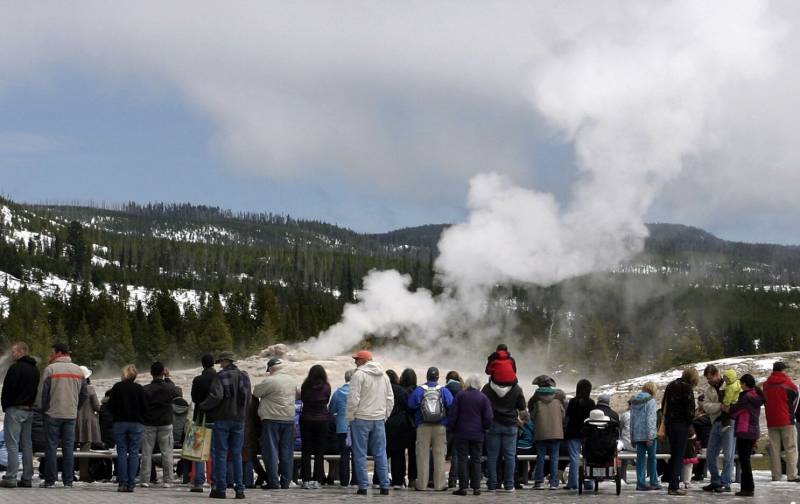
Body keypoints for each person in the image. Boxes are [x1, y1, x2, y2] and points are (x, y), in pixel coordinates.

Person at [198, 351, 251, 499]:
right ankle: (239, 489)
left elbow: (216, 396)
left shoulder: (220, 376)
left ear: (226, 361)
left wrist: (203, 405)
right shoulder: (244, 376)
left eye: (221, 361)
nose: (220, 364)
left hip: (222, 419)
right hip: (239, 420)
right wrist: (243, 414)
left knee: (220, 454)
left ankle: (220, 489)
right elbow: (248, 399)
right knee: (237, 454)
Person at [36, 342, 88, 488]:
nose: (51, 355)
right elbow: (84, 394)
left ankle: (50, 481)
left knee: (51, 447)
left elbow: (43, 394)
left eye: (52, 352)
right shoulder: (78, 371)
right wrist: (75, 407)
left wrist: (44, 409)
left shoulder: (50, 369)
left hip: (52, 413)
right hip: (70, 415)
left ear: (59, 353)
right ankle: (68, 481)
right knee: (68, 448)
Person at [346, 350, 394, 496]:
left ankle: (363, 487)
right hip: (378, 419)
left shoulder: (358, 375)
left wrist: (350, 416)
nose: (355, 362)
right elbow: (390, 398)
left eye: (356, 359)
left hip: (361, 419)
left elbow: (353, 399)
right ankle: (384, 486)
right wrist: (385, 415)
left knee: (360, 453)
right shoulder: (384, 375)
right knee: (380, 453)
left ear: (363, 361)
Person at [253, 357, 297, 490]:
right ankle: (286, 482)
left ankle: (273, 482)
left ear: (271, 369)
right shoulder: (291, 380)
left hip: (271, 419)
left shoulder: (270, 380)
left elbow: (256, 392)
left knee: (271, 452)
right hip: (289, 419)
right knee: (287, 452)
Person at [0, 342, 40, 488]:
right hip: (29, 410)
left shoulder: (15, 368)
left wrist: (5, 406)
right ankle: (27, 478)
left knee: (12, 444)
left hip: (15, 410)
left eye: (14, 351)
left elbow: (8, 389)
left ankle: (10, 478)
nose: (12, 354)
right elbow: (35, 390)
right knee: (27, 444)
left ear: (22, 351)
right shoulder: (35, 369)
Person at [408, 366, 454, 491]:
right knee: (439, 455)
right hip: (440, 426)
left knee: (422, 455)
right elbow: (451, 405)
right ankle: (439, 485)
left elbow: (411, 404)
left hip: (423, 426)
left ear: (427, 376)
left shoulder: (419, 390)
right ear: (438, 377)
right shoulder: (444, 390)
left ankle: (422, 484)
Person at [482, 370, 526, 492]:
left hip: (493, 424)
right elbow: (522, 406)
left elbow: (482, 404)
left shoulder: (487, 388)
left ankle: (492, 484)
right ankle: (509, 485)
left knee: (492, 456)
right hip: (510, 424)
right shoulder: (516, 388)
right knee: (510, 456)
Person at [448, 375, 492, 496]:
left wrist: (451, 427)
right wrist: (485, 427)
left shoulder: (461, 395)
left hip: (461, 432)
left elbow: (453, 413)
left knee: (462, 459)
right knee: (476, 459)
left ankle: (463, 488)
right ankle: (476, 487)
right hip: (478, 433)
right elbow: (488, 417)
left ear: (468, 383)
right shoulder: (483, 398)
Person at [140, 361, 181, 488]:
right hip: (165, 423)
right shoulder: (169, 388)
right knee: (167, 452)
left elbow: (142, 406)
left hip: (149, 423)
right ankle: (168, 480)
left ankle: (145, 479)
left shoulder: (145, 389)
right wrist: (168, 378)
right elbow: (176, 393)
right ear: (163, 372)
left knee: (147, 452)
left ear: (151, 373)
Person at [108, 364, 147, 493]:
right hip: (136, 423)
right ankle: (131, 484)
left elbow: (110, 406)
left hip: (120, 423)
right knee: (134, 453)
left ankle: (122, 483)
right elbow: (145, 407)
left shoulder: (117, 387)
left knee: (122, 453)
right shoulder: (139, 389)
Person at [662, 367, 699, 496]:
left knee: (674, 453)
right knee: (679, 455)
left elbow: (664, 404)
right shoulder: (687, 388)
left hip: (670, 424)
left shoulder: (671, 385)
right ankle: (674, 486)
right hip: (681, 425)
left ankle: (672, 482)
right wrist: (690, 421)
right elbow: (690, 410)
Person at [699, 364, 736, 493]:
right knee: (710, 455)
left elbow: (734, 401)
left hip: (729, 422)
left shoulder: (729, 385)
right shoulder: (708, 390)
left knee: (728, 454)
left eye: (710, 378)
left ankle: (725, 482)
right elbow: (706, 406)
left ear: (716, 374)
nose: (709, 381)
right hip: (715, 422)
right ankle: (715, 480)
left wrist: (724, 407)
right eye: (707, 379)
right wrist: (720, 406)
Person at [726, 373, 764, 497]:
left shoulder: (746, 397)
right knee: (746, 460)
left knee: (744, 461)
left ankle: (747, 488)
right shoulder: (756, 395)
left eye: (741, 383)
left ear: (745, 384)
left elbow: (735, 411)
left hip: (744, 430)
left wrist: (727, 408)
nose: (740, 386)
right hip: (754, 431)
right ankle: (748, 487)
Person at [762, 361, 799, 482]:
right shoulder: (788, 383)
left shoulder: (766, 384)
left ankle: (776, 475)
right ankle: (792, 475)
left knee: (774, 449)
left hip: (772, 421)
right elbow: (797, 395)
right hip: (786, 419)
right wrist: (792, 411)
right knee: (790, 448)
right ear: (783, 370)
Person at [529, 375, 565, 490]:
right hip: (556, 432)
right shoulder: (559, 396)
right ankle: (554, 483)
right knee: (554, 457)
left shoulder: (535, 397)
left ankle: (539, 482)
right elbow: (563, 415)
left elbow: (532, 415)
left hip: (541, 432)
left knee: (541, 457)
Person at [299, 364, 331, 489]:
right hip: (322, 420)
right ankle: (318, 480)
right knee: (319, 452)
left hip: (306, 419)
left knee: (306, 451)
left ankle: (306, 480)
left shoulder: (305, 386)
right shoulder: (326, 387)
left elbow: (302, 399)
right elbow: (326, 400)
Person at [189, 353, 216, 492]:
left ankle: (198, 483)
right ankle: (215, 482)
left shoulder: (198, 379)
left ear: (203, 364)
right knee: (216, 452)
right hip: (217, 418)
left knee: (199, 451)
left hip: (200, 417)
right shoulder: (219, 378)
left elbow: (194, 398)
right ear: (213, 364)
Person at [564, 379, 595, 491]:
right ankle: (589, 482)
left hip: (572, 432)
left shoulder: (572, 402)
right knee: (588, 458)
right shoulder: (591, 403)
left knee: (574, 458)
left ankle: (573, 483)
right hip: (586, 433)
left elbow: (567, 418)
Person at [385, 369, 413, 488]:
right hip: (400, 425)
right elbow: (409, 407)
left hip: (384, 423)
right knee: (398, 453)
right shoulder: (401, 391)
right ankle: (398, 480)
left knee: (382, 453)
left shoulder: (382, 390)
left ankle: (378, 480)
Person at [329, 369, 357, 487]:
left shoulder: (338, 393)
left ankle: (344, 481)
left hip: (342, 427)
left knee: (344, 455)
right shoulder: (360, 392)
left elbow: (331, 410)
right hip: (357, 426)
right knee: (357, 454)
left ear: (345, 379)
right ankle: (356, 480)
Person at [630, 381, 660, 491]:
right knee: (652, 459)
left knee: (640, 460)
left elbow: (632, 420)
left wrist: (632, 436)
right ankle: (653, 482)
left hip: (637, 436)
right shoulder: (651, 401)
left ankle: (640, 483)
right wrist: (651, 436)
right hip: (649, 435)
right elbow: (651, 419)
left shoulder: (634, 401)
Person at [75, 366, 102, 483]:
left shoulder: (73, 388)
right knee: (85, 449)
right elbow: (96, 406)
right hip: (88, 422)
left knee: (69, 448)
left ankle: (69, 473)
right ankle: (84, 474)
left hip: (74, 420)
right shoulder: (90, 389)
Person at [399, 368, 419, 487]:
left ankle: (400, 478)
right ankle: (412, 479)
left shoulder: (399, 390)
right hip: (414, 425)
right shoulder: (417, 390)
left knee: (399, 453)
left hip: (401, 425)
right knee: (413, 454)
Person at [444, 371, 463, 488]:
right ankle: (453, 480)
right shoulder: (463, 390)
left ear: (447, 379)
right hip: (459, 426)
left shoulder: (444, 389)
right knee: (456, 455)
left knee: (440, 452)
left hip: (445, 425)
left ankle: (437, 478)